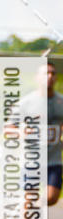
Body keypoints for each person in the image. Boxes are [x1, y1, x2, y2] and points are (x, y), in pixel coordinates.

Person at [46, 61, 63, 206]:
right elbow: (10, 127)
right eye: (46, 73)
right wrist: (22, 131)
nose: (50, 76)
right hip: (32, 160)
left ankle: (28, 205)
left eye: (53, 73)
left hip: (54, 160)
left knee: (52, 198)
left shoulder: (61, 101)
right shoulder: (27, 101)